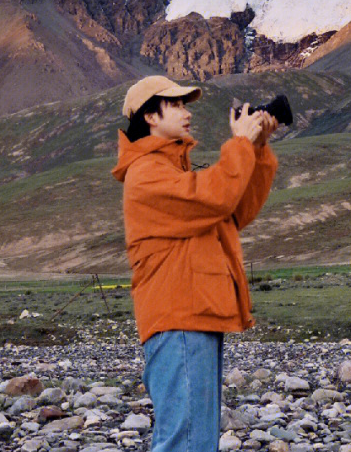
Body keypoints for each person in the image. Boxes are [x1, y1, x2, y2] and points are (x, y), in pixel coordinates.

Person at [112, 75, 279, 452]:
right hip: (179, 316)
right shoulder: (146, 174)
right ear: (150, 117)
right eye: (177, 105)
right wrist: (240, 143)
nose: (187, 113)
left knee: (196, 440)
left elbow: (235, 210)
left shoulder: (173, 170)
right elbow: (216, 197)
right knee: (186, 441)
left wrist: (259, 147)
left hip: (196, 312)